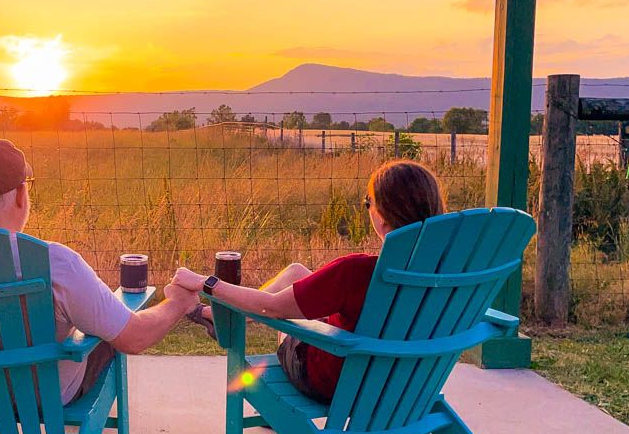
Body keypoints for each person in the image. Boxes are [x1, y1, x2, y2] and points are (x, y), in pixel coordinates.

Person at [0, 138, 200, 404]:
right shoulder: (56, 264)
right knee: (107, 332)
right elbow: (135, 338)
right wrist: (178, 302)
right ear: (22, 196)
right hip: (41, 399)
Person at [173, 159, 446, 403]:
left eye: (368, 203)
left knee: (288, 317)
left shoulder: (358, 271)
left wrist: (204, 283)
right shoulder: (451, 276)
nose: (367, 209)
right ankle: (219, 318)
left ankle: (225, 320)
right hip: (406, 385)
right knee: (296, 272)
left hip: (336, 382)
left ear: (384, 217)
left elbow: (272, 308)